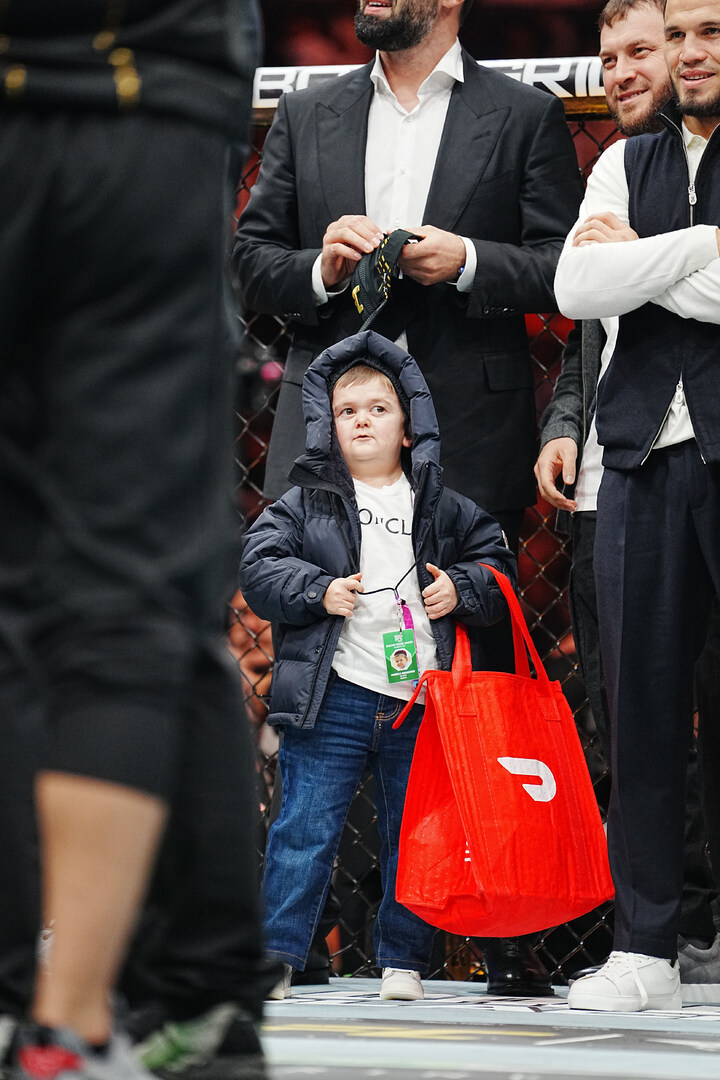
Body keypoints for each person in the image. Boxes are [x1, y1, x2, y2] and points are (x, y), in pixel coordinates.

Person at [233, 0, 583, 993]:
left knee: (469, 691)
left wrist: (466, 260)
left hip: (466, 435)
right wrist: (320, 266)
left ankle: (496, 932)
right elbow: (251, 260)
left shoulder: (523, 114)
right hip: (327, 440)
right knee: (314, 695)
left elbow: (568, 268)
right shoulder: (310, 113)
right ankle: (298, 939)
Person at [0, 2, 271, 1078]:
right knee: (137, 598)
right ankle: (68, 1023)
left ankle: (143, 998)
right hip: (142, 124)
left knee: (110, 603)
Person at [240, 329, 516, 1002]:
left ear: (410, 427)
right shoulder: (302, 504)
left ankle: (403, 962)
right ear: (326, 428)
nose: (362, 420)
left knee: (416, 836)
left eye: (378, 408)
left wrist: (463, 588)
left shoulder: (445, 508)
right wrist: (317, 590)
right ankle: (276, 955)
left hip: (420, 698)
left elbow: (497, 563)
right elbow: (260, 566)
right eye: (346, 411)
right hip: (332, 694)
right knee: (304, 828)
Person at [535, 0, 720, 1002]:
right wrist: (702, 249)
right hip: (640, 455)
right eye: (678, 34)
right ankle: (645, 949)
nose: (690, 53)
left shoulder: (631, 183)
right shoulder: (621, 159)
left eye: (710, 31)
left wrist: (640, 259)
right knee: (638, 705)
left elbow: (614, 277)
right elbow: (575, 287)